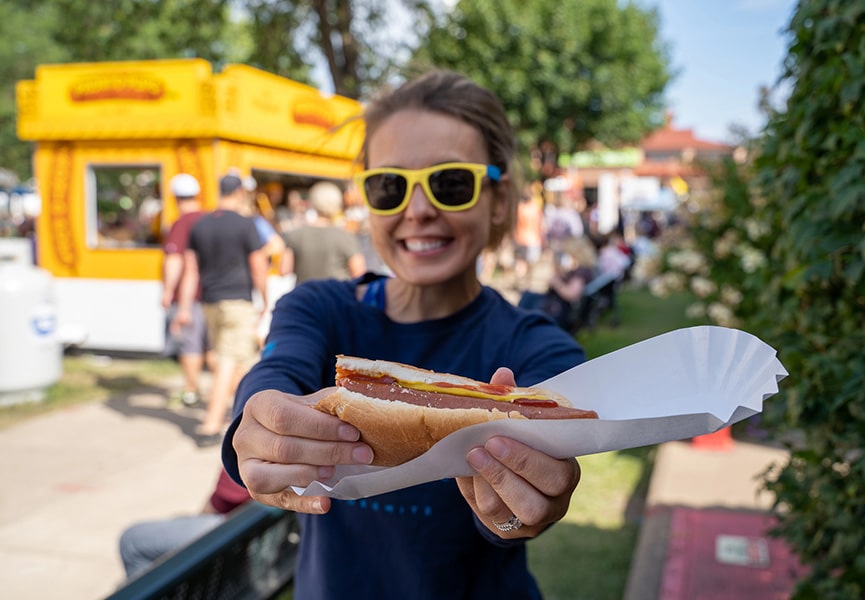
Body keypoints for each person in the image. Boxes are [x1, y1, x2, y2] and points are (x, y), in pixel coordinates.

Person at [222, 70, 586, 600]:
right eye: (389, 186)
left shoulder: (536, 345)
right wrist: (256, 426)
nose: (417, 210)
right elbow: (274, 377)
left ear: (500, 200)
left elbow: (533, 499)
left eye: (450, 183)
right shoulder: (319, 309)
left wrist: (514, 512)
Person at [178, 173, 268, 447]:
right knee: (230, 361)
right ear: (239, 192)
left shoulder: (201, 224)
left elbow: (190, 271)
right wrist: (265, 299)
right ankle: (211, 426)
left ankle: (237, 412)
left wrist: (184, 307)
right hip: (237, 303)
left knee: (232, 359)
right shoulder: (245, 224)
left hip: (209, 302)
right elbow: (258, 265)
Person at [118, 468, 251, 580]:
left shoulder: (251, 449)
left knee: (132, 541)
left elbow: (214, 508)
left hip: (238, 550)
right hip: (256, 552)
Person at [161, 173, 209, 407]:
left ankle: (192, 390)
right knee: (210, 347)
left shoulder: (182, 223)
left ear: (174, 197)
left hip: (189, 296)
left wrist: (168, 291)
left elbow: (175, 259)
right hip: (212, 294)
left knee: (189, 344)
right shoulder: (208, 219)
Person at [279, 181, 367, 284]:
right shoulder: (346, 237)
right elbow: (359, 275)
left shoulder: (295, 234)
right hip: (336, 296)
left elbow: (284, 270)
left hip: (304, 295)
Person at [518, 237, 599, 332]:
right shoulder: (579, 269)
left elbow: (572, 294)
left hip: (560, 310)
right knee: (528, 297)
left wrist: (557, 282)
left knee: (528, 299)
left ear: (575, 253)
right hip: (556, 305)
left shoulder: (581, 272)